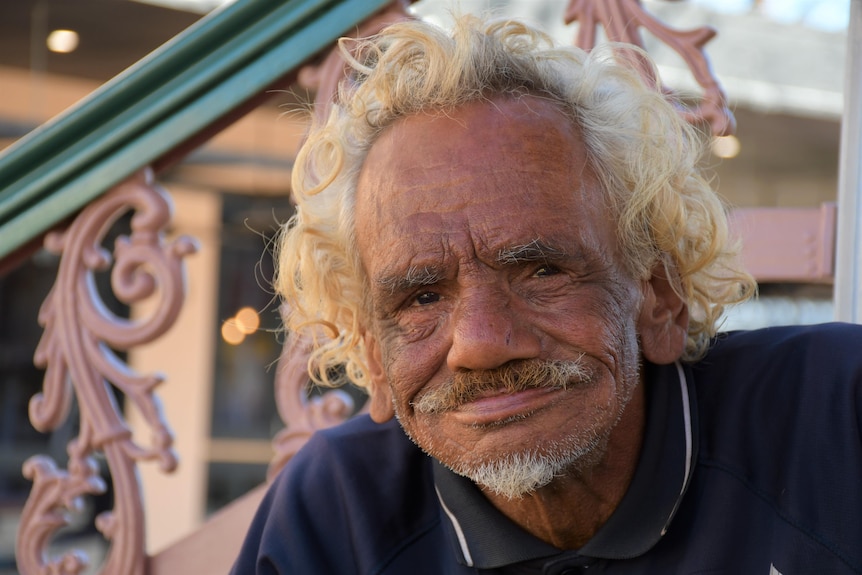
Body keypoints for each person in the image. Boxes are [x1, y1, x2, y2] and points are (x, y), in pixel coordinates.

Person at [231, 13, 862, 574]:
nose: (479, 345)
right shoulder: (335, 514)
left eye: (541, 271)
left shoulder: (836, 418)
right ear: (372, 354)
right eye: (421, 298)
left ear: (659, 298)